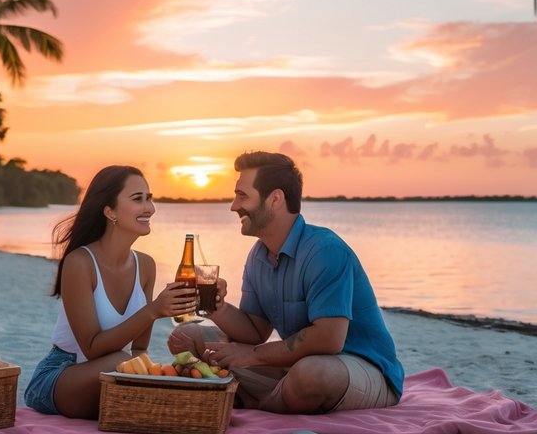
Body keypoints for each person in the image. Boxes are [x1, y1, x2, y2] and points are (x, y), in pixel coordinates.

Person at [168, 151, 405, 414]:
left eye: (242, 195)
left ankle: (254, 404)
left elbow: (329, 339)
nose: (234, 206)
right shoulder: (259, 255)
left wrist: (254, 355)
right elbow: (255, 330)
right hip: (296, 364)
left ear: (275, 199)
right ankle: (269, 397)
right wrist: (217, 307)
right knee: (185, 338)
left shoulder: (325, 250)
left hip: (361, 367)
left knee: (310, 376)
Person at [23, 165, 197, 419]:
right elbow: (92, 348)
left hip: (114, 371)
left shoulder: (146, 266)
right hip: (60, 375)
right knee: (118, 361)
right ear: (110, 211)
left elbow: (139, 351)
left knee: (152, 371)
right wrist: (154, 310)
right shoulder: (80, 263)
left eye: (149, 198)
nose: (150, 208)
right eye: (138, 199)